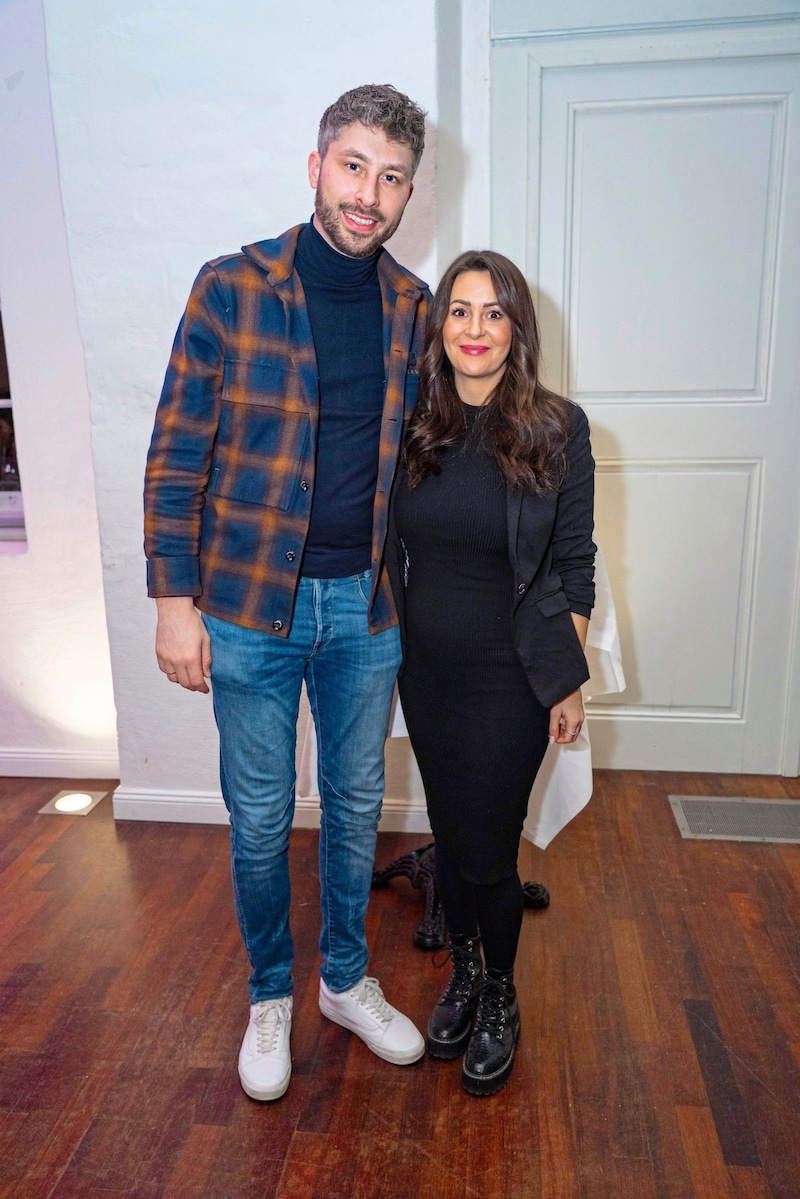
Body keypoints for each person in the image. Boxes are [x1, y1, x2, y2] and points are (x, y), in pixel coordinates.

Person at [144, 84, 431, 1102]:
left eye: (390, 176)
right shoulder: (230, 287)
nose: (369, 193)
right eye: (353, 166)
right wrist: (173, 602)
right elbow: (176, 453)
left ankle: (345, 978)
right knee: (259, 813)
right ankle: (273, 991)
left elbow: (432, 457)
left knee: (356, 806)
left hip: (364, 609)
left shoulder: (411, 307)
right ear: (317, 166)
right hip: (245, 607)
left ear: (406, 192)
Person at [387, 250, 595, 1096]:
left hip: (511, 674)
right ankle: (465, 972)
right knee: (451, 825)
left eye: (494, 312)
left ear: (517, 327)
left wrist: (565, 677)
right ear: (442, 325)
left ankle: (501, 992)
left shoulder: (557, 426)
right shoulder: (412, 423)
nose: (475, 329)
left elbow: (575, 564)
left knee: (489, 852)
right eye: (461, 311)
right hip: (425, 669)